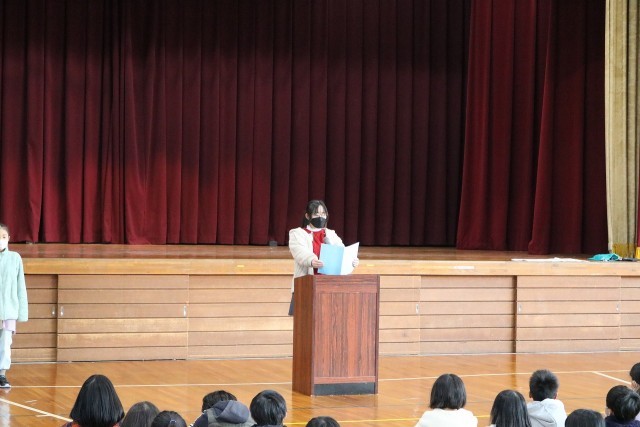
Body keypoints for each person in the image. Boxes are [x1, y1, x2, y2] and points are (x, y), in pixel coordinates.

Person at [288, 200, 358, 315]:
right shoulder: (297, 233)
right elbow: (299, 252)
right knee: (306, 318)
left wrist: (351, 260)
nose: (320, 217)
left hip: (329, 284)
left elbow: (342, 251)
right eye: (316, 214)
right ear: (308, 216)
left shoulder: (331, 234)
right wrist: (311, 260)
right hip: (307, 283)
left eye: (323, 214)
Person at [0, 223, 28, 388]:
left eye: (3, 237)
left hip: (8, 311)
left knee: (5, 343)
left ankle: (2, 374)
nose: (1, 240)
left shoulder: (15, 258)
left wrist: (21, 313)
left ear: (9, 238)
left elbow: (20, 286)